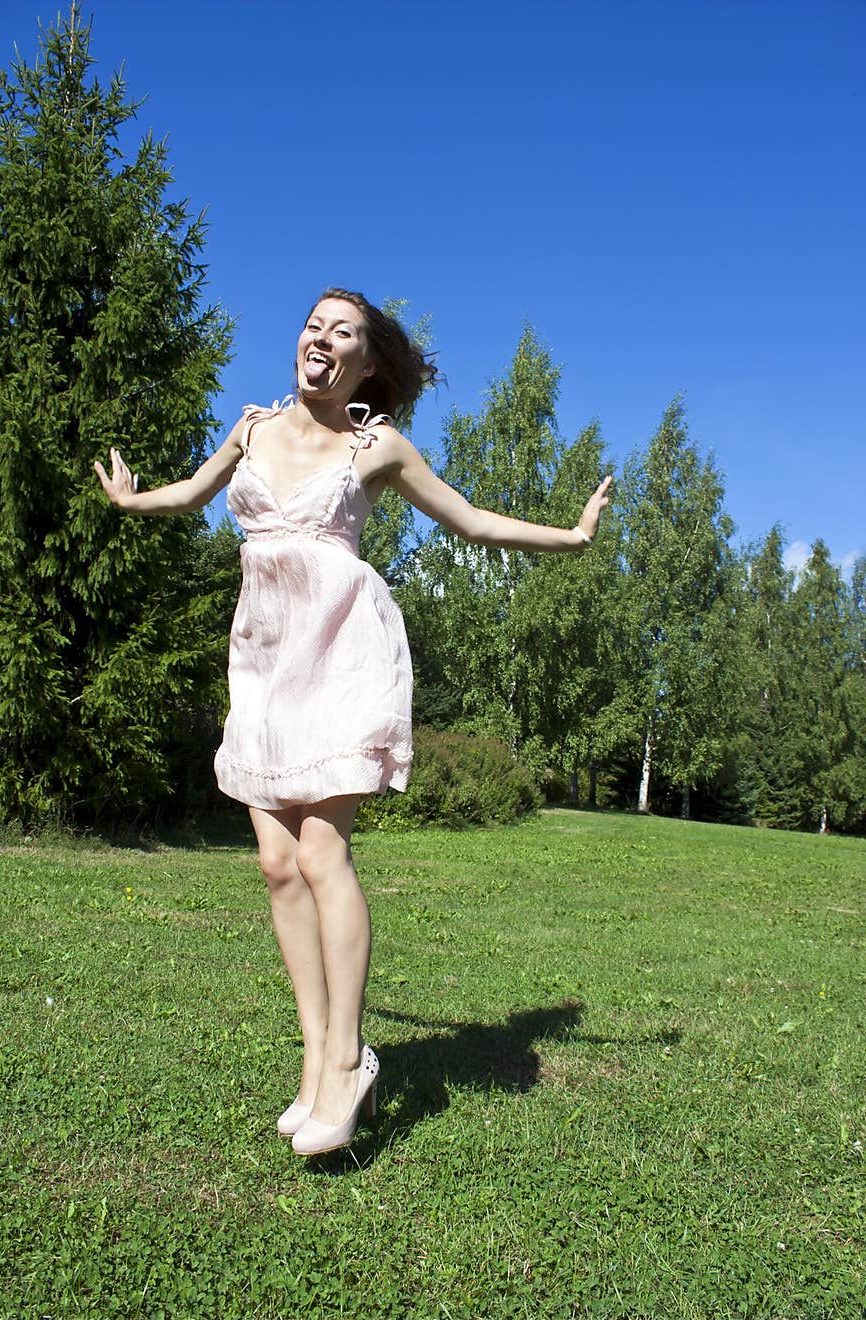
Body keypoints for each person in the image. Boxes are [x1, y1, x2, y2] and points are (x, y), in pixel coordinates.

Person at [94, 286, 612, 1156]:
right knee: (274, 862)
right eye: (313, 325)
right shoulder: (253, 428)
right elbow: (191, 493)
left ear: (367, 364)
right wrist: (132, 501)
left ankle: (344, 1064)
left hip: (340, 653)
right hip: (262, 659)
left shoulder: (377, 448)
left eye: (343, 333)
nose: (321, 338)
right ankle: (319, 1063)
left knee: (322, 851)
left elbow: (472, 522)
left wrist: (572, 536)